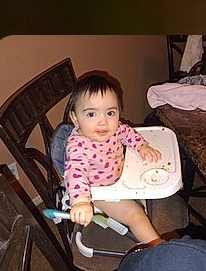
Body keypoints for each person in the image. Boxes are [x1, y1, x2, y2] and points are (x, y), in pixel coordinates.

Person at [62, 72, 164, 247]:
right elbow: (75, 172)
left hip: (121, 176)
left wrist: (141, 146)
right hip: (99, 191)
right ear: (75, 118)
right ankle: (160, 248)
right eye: (91, 114)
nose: (103, 122)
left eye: (110, 112)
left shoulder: (114, 128)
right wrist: (80, 201)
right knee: (136, 215)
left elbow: (127, 132)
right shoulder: (79, 147)